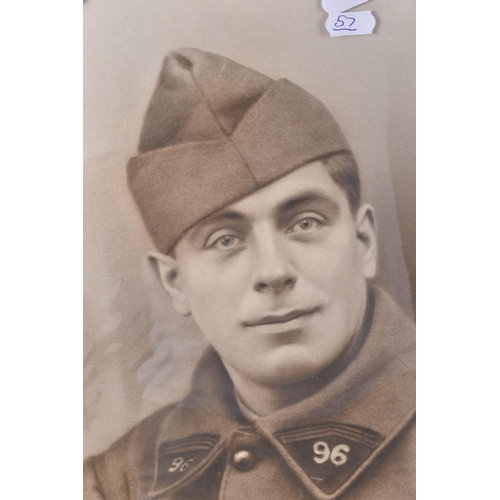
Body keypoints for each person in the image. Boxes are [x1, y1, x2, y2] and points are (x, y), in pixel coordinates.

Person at [84, 48, 415, 500]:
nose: (274, 271)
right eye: (225, 240)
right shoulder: (118, 479)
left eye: (305, 223)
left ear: (364, 243)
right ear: (175, 283)